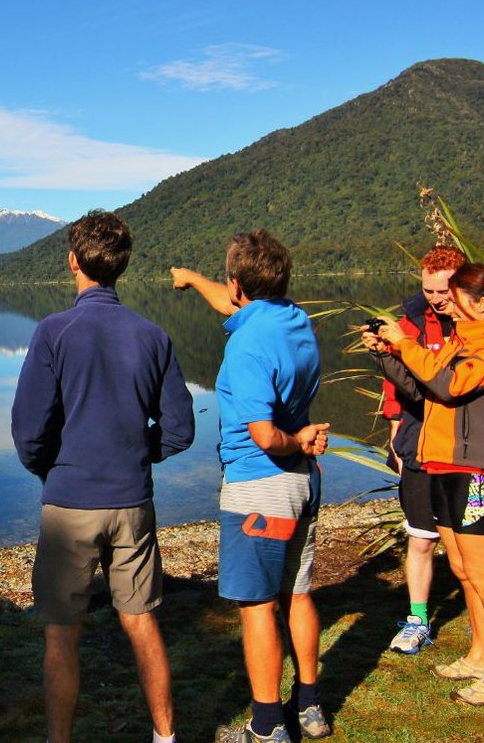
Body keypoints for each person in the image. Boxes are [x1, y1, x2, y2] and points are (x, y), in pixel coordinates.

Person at [12, 209, 196, 743]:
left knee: (61, 634)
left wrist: (54, 468)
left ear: (73, 261)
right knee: (141, 621)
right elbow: (180, 429)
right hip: (132, 499)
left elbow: (28, 431)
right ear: (122, 265)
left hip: (69, 502)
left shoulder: (53, 332)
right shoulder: (153, 335)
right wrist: (135, 454)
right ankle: (165, 737)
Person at [172, 230, 333, 743]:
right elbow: (236, 304)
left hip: (260, 486)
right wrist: (194, 280)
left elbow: (265, 435)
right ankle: (309, 706)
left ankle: (266, 726)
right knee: (298, 592)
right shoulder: (293, 319)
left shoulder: (246, 346)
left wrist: (298, 439)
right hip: (303, 486)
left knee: (258, 606)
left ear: (238, 282)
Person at [363, 262, 484, 707]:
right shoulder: (461, 341)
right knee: (462, 569)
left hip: (478, 471)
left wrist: (406, 343)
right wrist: (386, 351)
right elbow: (423, 387)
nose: (445, 306)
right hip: (443, 465)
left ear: (479, 303)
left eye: (454, 298)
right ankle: (479, 654)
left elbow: (449, 383)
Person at [381, 245, 467, 655]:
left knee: (465, 540)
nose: (435, 299)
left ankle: (481, 610)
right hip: (418, 438)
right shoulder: (410, 322)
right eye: (428, 291)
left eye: (443, 291)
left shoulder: (482, 323)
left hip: (463, 444)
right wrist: (396, 432)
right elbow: (397, 381)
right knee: (420, 537)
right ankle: (417, 618)